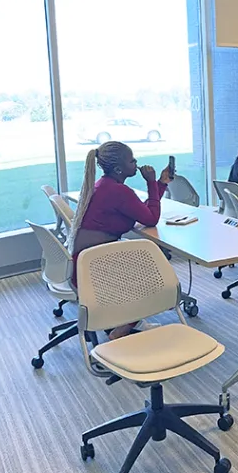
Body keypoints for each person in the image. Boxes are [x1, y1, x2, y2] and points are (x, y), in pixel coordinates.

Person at [69, 142, 170, 340]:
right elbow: (150, 219)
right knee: (157, 278)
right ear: (118, 169)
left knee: (147, 267)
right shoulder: (118, 191)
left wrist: (161, 184)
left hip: (84, 265)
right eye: (132, 160)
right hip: (94, 271)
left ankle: (127, 319)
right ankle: (120, 331)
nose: (137, 163)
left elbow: (140, 210)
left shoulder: (105, 186)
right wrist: (151, 182)